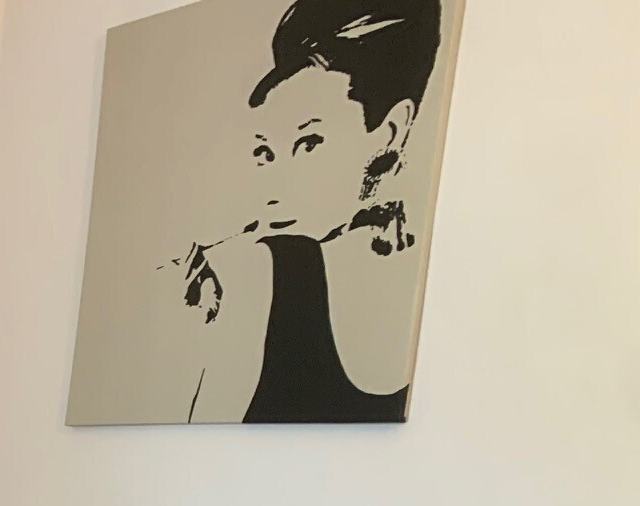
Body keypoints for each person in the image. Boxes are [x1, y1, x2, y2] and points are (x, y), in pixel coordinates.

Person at [177, 0, 445, 423]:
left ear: (391, 132)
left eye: (309, 144)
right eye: (265, 153)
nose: (274, 189)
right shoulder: (250, 273)